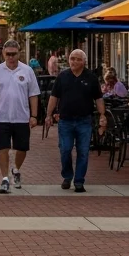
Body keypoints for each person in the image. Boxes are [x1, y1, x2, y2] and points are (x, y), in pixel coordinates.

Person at [0, 40, 40, 193]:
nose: (11, 57)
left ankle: (16, 169)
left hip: (21, 117)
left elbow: (33, 94)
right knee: (3, 149)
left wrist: (34, 115)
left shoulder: (27, 71)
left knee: (22, 149)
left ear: (19, 53)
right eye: (8, 54)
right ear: (3, 53)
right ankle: (5, 179)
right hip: (2, 117)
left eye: (13, 54)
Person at [48, 49, 106, 192]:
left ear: (83, 62)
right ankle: (67, 176)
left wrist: (102, 115)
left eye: (78, 59)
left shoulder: (91, 77)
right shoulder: (62, 76)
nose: (74, 61)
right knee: (65, 149)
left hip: (84, 120)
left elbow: (98, 98)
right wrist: (48, 115)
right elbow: (54, 97)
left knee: (83, 151)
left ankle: (79, 181)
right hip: (65, 120)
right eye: (72, 58)